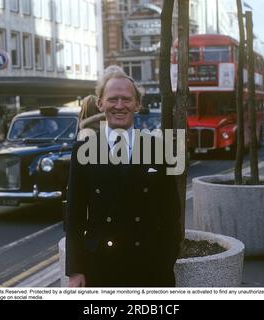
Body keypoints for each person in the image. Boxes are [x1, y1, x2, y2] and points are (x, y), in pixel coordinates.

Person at [66, 71, 181, 287]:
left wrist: (166, 262)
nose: (119, 105)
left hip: (150, 269)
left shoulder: (157, 148)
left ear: (137, 104)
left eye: (126, 99)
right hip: (100, 267)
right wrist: (75, 270)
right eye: (112, 99)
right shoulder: (83, 150)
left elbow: (171, 213)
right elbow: (74, 216)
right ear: (100, 104)